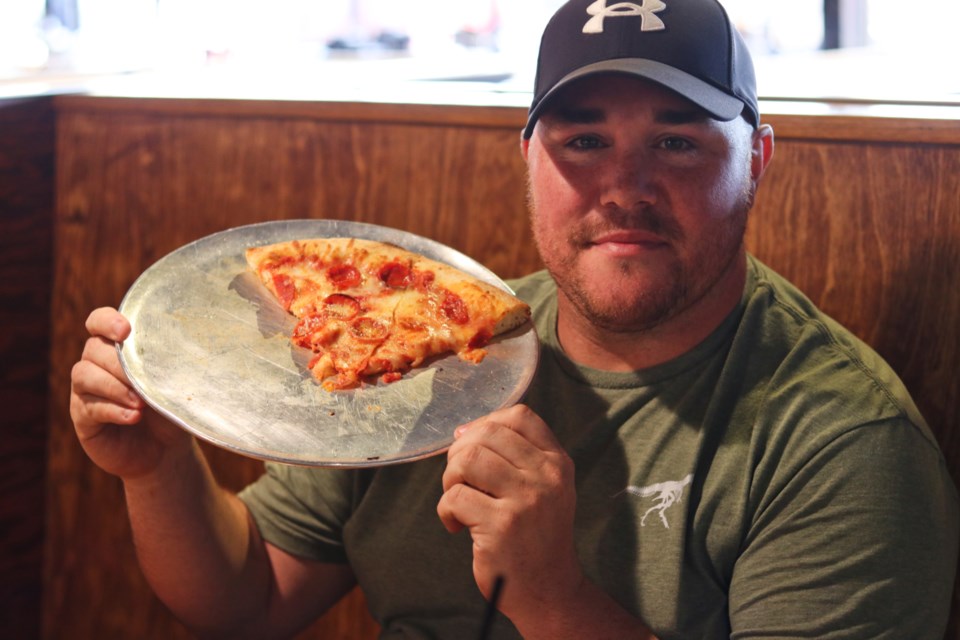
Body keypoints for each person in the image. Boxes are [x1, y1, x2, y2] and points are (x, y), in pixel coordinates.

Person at [70, 0, 959, 638]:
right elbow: (248, 601)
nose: (624, 187)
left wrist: (548, 593)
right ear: (528, 155)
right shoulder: (423, 339)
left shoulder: (846, 442)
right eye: (582, 140)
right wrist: (155, 469)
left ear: (757, 159)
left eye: (678, 141)